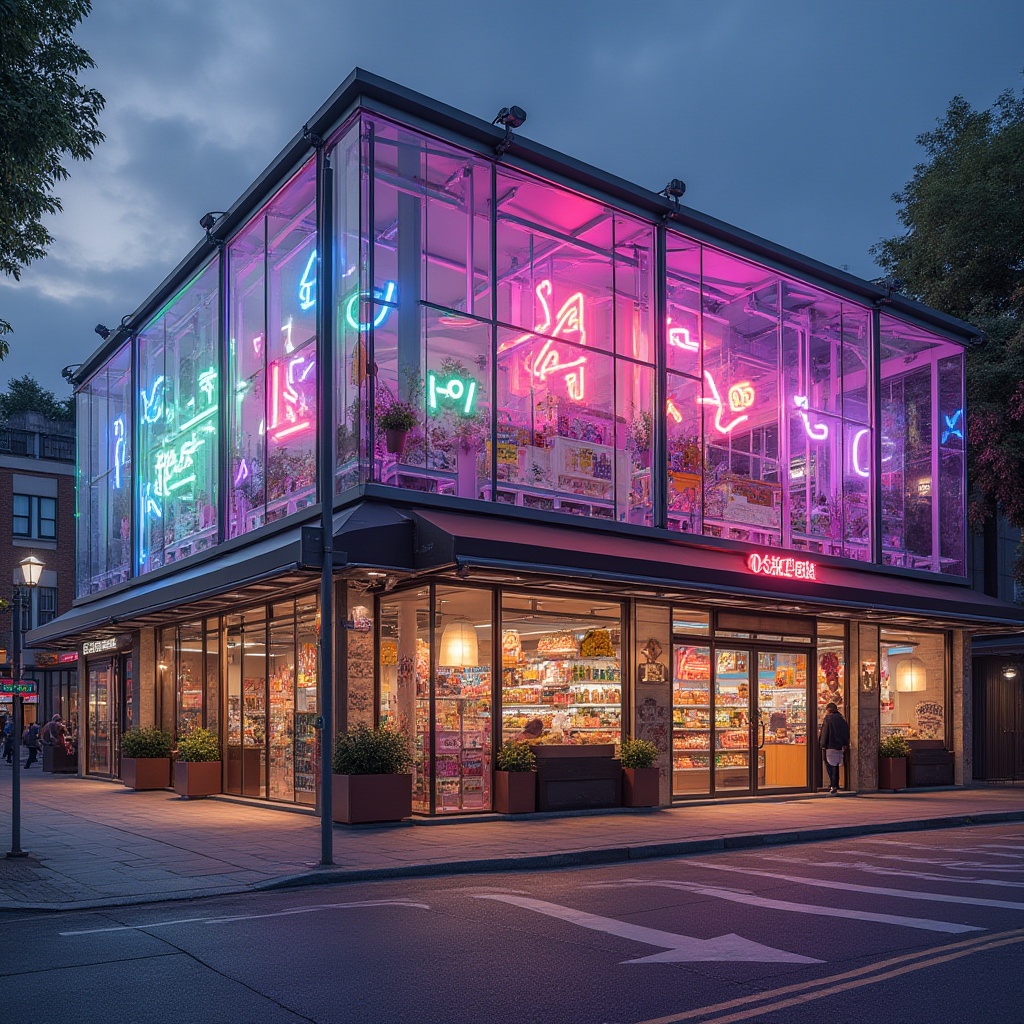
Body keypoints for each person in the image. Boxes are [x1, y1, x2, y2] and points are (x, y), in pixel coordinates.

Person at [818, 701, 850, 794]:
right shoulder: (842, 719)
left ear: (828, 710)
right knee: (835, 765)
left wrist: (822, 744)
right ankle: (835, 784)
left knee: (830, 765)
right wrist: (845, 744)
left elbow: (825, 732)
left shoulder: (828, 719)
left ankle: (833, 785)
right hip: (839, 746)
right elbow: (846, 733)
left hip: (830, 745)